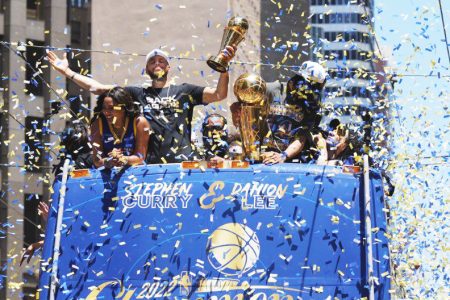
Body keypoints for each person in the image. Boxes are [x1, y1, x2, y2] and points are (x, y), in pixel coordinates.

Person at [47, 45, 236, 164]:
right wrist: (67, 72)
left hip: (184, 163)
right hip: (151, 165)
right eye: (152, 62)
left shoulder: (185, 91)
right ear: (147, 69)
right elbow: (98, 88)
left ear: (168, 67)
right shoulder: (137, 93)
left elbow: (219, 94)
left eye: (162, 61)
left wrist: (224, 69)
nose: (157, 64)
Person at [262, 61, 328, 165]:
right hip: (260, 153)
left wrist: (283, 156)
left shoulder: (310, 107)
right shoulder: (274, 90)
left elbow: (301, 138)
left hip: (286, 160)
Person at [90, 87, 150, 168]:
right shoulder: (97, 124)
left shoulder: (139, 122)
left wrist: (123, 159)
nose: (106, 112)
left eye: (111, 108)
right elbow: (97, 160)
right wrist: (109, 161)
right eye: (104, 108)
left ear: (123, 108)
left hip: (135, 175)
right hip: (107, 176)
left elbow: (140, 157)